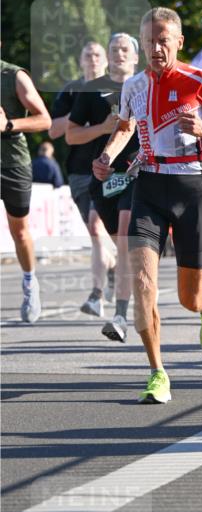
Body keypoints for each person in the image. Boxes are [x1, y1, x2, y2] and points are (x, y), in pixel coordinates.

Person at [92, 7, 202, 403]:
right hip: (150, 189)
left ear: (179, 42)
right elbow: (125, 127)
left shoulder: (199, 80)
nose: (156, 49)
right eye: (149, 42)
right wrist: (108, 156)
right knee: (142, 283)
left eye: (163, 41)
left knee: (189, 299)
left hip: (191, 190)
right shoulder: (134, 87)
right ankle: (157, 372)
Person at [67, 33, 140, 343]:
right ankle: (128, 280)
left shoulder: (145, 87)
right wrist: (103, 129)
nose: (119, 54)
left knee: (123, 238)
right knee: (120, 244)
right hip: (103, 176)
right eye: (114, 50)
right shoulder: (90, 90)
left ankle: (120, 314)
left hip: (138, 175)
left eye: (125, 49)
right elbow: (71, 135)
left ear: (136, 57)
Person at [49, 41, 116, 313]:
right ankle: (112, 264)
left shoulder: (116, 88)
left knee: (98, 227)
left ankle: (96, 295)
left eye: (97, 54)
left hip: (111, 167)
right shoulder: (71, 90)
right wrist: (81, 117)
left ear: (106, 60)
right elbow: (53, 130)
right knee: (95, 232)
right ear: (80, 61)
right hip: (79, 171)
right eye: (87, 55)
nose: (92, 59)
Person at [0, 58, 51, 322]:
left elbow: (45, 120)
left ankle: (30, 283)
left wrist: (8, 124)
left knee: (19, 231)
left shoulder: (13, 76)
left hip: (12, 164)